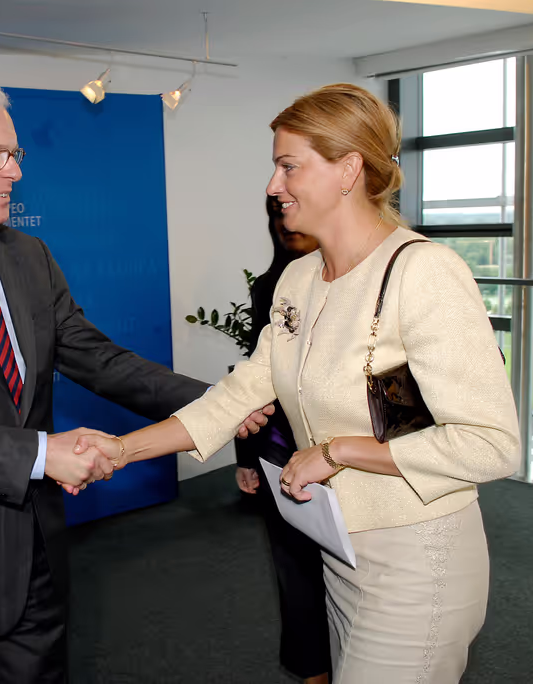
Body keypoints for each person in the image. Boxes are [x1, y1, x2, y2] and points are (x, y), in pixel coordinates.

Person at [0, 73, 269, 684]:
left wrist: (219, 403)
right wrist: (41, 454)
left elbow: (97, 358)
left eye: (17, 155)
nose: (14, 172)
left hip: (35, 545)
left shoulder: (27, 257)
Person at [77, 83, 520, 684]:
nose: (272, 186)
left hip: (419, 555)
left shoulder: (426, 274)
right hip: (340, 553)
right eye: (274, 167)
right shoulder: (299, 281)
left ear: (348, 170)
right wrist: (121, 450)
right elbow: (237, 396)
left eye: (289, 166)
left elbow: (491, 444)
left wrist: (339, 451)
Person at [234, 195, 328, 684]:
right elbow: (254, 376)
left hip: (346, 456)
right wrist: (247, 455)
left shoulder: (373, 277)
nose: (284, 223)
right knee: (294, 569)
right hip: (279, 449)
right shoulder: (272, 285)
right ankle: (312, 669)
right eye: (274, 214)